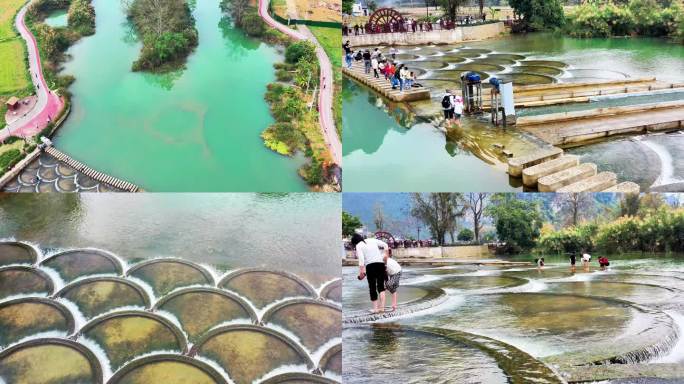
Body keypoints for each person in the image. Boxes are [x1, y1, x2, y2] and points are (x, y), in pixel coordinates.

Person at [352, 233, 389, 314]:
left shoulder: (359, 245)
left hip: (370, 266)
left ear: (355, 242)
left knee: (372, 287)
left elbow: (361, 261)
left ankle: (375, 309)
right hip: (380, 264)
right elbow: (385, 245)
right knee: (381, 287)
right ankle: (382, 308)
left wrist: (361, 273)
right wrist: (386, 255)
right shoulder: (372, 240)